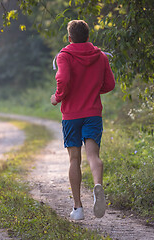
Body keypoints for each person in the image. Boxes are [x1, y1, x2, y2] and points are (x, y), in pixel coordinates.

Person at [50, 20, 115, 220]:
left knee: (74, 159)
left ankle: (78, 208)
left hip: (71, 115)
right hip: (93, 113)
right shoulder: (100, 56)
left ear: (70, 38)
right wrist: (94, 90)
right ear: (88, 37)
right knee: (93, 156)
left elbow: (63, 79)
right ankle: (97, 185)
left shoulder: (64, 56)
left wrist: (57, 97)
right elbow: (110, 84)